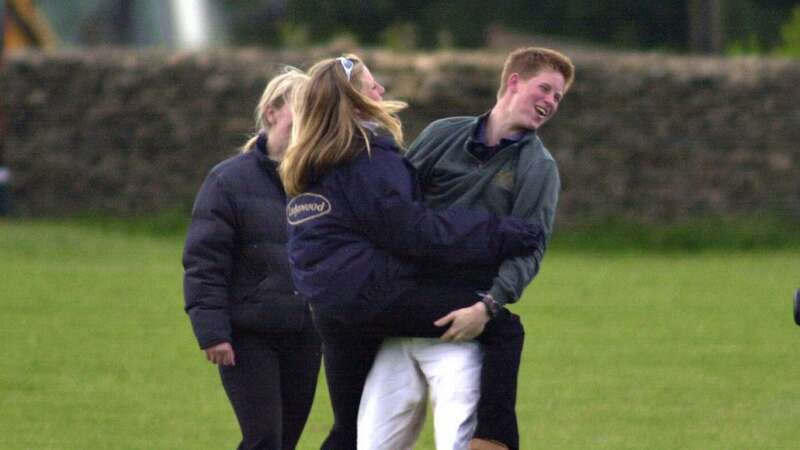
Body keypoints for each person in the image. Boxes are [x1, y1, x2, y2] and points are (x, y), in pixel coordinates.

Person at [280, 54, 542, 450]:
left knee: (349, 431)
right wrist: (502, 232)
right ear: (353, 100)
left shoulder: (308, 162)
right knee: (505, 329)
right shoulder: (366, 156)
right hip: (376, 296)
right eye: (371, 85)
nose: (381, 91)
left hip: (330, 311)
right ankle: (492, 439)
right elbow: (414, 232)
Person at [358, 47, 575, 450]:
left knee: (459, 443)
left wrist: (486, 308)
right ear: (513, 82)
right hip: (404, 315)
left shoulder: (538, 168)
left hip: (462, 324)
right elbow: (398, 211)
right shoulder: (443, 134)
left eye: (557, 97)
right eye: (544, 88)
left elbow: (529, 250)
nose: (550, 102)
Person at [182, 68, 321, 450]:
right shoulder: (227, 181)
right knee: (264, 440)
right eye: (301, 112)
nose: (309, 125)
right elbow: (204, 260)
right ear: (273, 111)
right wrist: (212, 331)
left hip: (306, 335)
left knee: (285, 442)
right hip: (248, 337)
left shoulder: (322, 181)